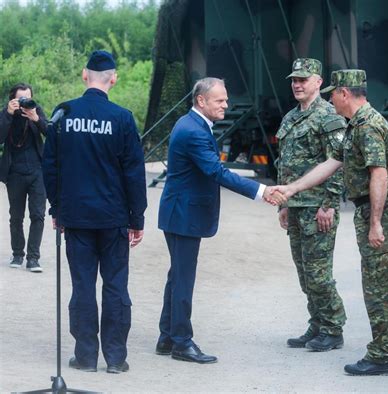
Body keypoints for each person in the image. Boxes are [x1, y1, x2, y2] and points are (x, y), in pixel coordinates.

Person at [272, 69, 388, 376]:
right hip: (366, 208)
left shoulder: (369, 125)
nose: (330, 98)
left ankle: (384, 354)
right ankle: (383, 351)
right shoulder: (355, 125)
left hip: (379, 210)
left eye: (333, 93)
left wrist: (375, 222)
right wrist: (291, 190)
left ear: (345, 93)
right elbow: (332, 163)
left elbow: (379, 175)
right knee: (375, 283)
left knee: (380, 287)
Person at [155, 77, 286, 364]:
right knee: (183, 278)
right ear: (201, 101)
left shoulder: (192, 124)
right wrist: (261, 190)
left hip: (179, 212)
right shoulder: (194, 131)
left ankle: (167, 337)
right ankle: (181, 341)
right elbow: (216, 172)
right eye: (220, 100)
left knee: (177, 275)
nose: (226, 104)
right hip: (183, 214)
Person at [42, 50, 147, 374]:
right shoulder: (123, 118)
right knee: (115, 286)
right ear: (113, 78)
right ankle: (115, 358)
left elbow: (50, 166)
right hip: (113, 217)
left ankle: (86, 356)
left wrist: (57, 208)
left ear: (84, 75)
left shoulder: (64, 113)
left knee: (83, 285)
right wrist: (136, 217)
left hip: (76, 217)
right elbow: (134, 172)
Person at [277, 58, 347, 351]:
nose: (297, 84)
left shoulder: (328, 116)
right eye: (294, 79)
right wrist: (282, 203)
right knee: (304, 272)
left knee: (319, 274)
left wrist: (329, 204)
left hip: (318, 206)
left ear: (318, 82)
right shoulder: (290, 118)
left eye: (303, 79)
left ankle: (333, 328)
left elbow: (339, 162)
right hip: (294, 206)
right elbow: (283, 164)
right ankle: (317, 323)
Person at [0, 83, 47, 273]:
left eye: (28, 97)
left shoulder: (36, 110)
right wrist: (8, 115)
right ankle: (18, 253)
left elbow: (50, 133)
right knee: (16, 216)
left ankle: (33, 258)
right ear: (13, 100)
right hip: (15, 172)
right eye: (21, 99)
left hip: (37, 171)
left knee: (38, 215)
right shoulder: (6, 113)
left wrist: (36, 118)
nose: (25, 102)